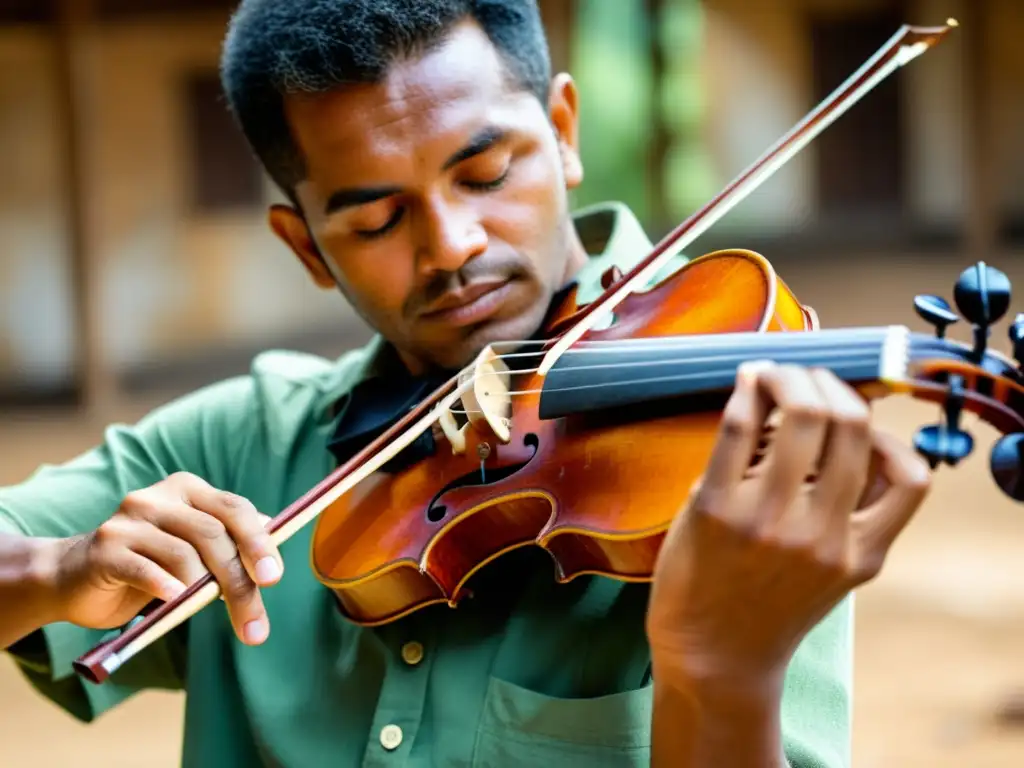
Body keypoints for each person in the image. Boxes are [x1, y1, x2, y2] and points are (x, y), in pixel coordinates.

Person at [0, 1, 932, 766]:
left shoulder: (728, 442)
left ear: (563, 133)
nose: (452, 247)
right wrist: (57, 567)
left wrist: (717, 675)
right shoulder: (239, 447)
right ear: (306, 248)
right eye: (374, 222)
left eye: (485, 173)